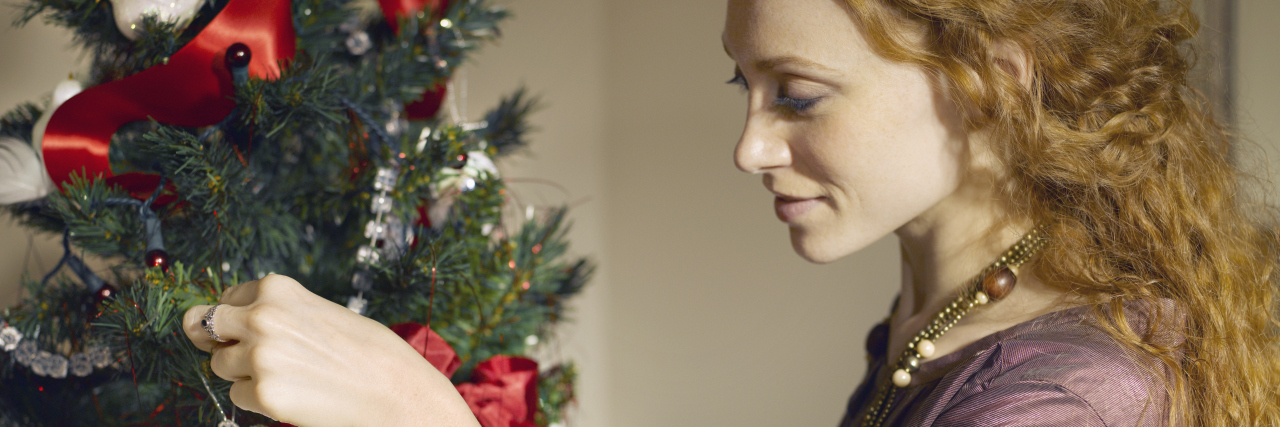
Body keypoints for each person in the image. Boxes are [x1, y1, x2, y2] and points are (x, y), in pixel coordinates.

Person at [184, 0, 1280, 425]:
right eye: (744, 90)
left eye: (797, 95)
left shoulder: (1063, 403)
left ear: (991, 84)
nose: (751, 146)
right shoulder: (941, 318)